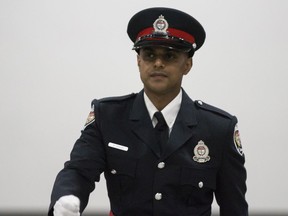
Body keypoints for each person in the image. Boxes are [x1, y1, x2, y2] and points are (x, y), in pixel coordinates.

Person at [48, 7, 248, 216]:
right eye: (149, 55)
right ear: (139, 61)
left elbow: (234, 207)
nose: (158, 63)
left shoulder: (218, 129)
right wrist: (67, 197)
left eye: (170, 56)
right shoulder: (107, 117)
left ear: (187, 64)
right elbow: (79, 171)